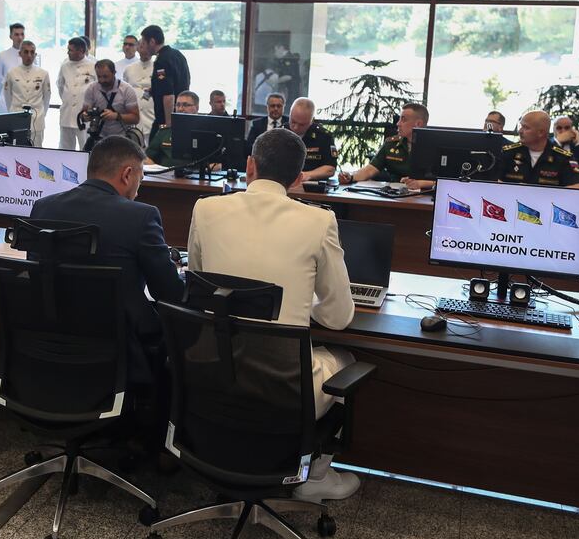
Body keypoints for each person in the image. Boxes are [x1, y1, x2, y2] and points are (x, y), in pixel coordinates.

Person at [186, 127, 359, 502]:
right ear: (298, 179)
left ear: (249, 166)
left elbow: (200, 291)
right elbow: (339, 317)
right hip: (283, 389)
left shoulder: (206, 208)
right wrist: (303, 304)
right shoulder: (319, 221)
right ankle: (315, 478)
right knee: (345, 359)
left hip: (211, 373)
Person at [30, 135, 184, 384]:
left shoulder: (43, 207)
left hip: (53, 338)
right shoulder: (142, 216)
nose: (137, 189)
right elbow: (170, 293)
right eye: (140, 180)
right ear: (127, 175)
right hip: (121, 346)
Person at [338, 102, 434, 190]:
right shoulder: (391, 144)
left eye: (403, 120)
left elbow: (446, 181)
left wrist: (421, 183)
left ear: (418, 124)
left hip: (425, 198)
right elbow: (370, 170)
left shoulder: (435, 147)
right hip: (395, 195)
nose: (398, 124)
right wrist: (350, 177)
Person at [499, 111, 579, 188]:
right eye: (521, 126)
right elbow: (493, 182)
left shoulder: (563, 157)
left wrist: (540, 194)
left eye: (526, 128)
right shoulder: (508, 152)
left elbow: (577, 187)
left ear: (541, 132)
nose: (520, 131)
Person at [141, 25, 190, 142]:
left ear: (152, 41)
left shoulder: (161, 61)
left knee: (151, 155)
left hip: (166, 119)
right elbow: (181, 83)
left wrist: (168, 126)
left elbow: (168, 95)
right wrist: (155, 90)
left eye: (144, 42)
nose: (142, 46)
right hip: (181, 116)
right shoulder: (177, 54)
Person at [80, 59, 140, 148]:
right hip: (98, 138)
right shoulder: (92, 89)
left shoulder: (126, 90)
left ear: (114, 73)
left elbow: (135, 118)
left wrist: (116, 116)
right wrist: (85, 116)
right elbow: (83, 113)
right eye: (99, 76)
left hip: (122, 139)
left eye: (105, 76)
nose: (102, 80)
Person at [2, 40, 51, 146]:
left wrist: (41, 114)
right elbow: (7, 97)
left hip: (37, 118)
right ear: (20, 54)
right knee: (17, 150)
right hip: (17, 117)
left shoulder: (43, 73)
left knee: (36, 151)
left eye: (32, 52)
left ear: (35, 54)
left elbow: (47, 98)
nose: (29, 55)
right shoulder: (12, 73)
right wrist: (13, 111)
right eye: (26, 52)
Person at [56, 36, 97, 150]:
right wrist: (68, 100)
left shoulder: (93, 66)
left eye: (71, 50)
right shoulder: (65, 66)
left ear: (81, 51)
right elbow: (60, 86)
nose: (68, 52)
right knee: (65, 148)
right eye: (68, 49)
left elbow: (97, 89)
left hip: (84, 114)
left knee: (85, 147)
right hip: (67, 112)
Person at [285, 97, 338, 181]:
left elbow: (329, 169)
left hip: (310, 185)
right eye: (293, 121)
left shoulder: (324, 137)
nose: (295, 127)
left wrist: (306, 175)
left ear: (311, 120)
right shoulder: (279, 133)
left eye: (302, 124)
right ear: (290, 114)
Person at [145, 90, 198, 166]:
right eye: (177, 105)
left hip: (194, 175)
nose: (180, 109)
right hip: (166, 175)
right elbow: (146, 157)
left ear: (197, 107)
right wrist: (156, 169)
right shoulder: (165, 131)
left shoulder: (204, 132)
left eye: (185, 105)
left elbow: (215, 162)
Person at [123, 38, 156, 144]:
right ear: (137, 48)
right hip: (134, 118)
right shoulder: (129, 69)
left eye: (146, 46)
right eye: (141, 46)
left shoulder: (157, 66)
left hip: (152, 116)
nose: (144, 50)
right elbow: (125, 92)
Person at [0, 23, 25, 111]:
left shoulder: (30, 57)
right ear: (11, 36)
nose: (20, 37)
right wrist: (5, 92)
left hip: (25, 99)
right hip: (7, 100)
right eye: (16, 34)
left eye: (22, 34)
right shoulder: (2, 56)